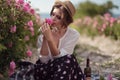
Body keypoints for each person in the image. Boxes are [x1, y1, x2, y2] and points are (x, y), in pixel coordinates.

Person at [34, 0, 85, 80]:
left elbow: (61, 59)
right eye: (53, 14)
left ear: (66, 21)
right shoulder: (43, 30)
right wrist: (45, 38)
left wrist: (50, 40)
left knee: (70, 59)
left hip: (62, 72)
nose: (53, 18)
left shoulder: (73, 35)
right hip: (45, 71)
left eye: (58, 17)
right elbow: (43, 61)